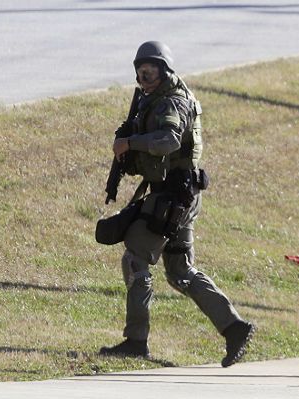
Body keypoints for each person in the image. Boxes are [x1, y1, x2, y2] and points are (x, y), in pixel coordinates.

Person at [99, 41, 255, 367]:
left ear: (164, 69)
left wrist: (130, 142)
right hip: (179, 195)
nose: (144, 77)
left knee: (136, 259)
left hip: (171, 196)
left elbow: (169, 140)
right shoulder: (153, 98)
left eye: (150, 71)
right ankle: (234, 328)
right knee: (180, 271)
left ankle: (135, 341)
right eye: (140, 72)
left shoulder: (171, 102)